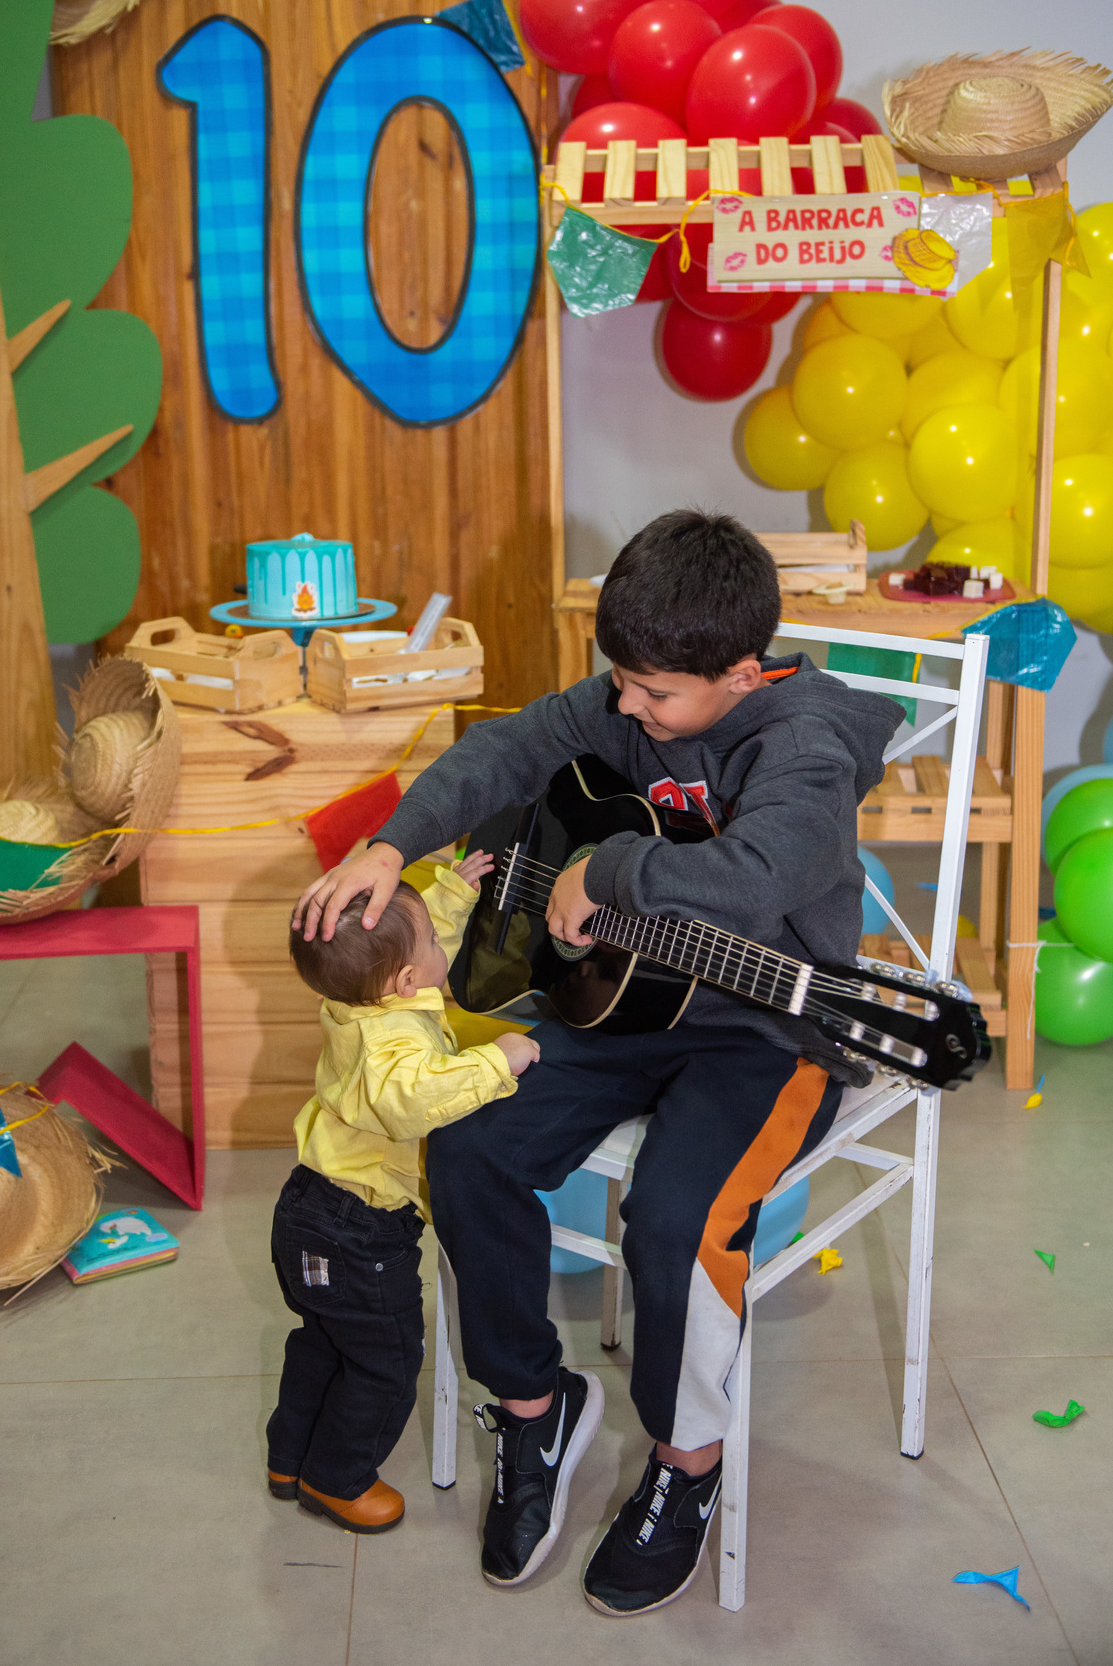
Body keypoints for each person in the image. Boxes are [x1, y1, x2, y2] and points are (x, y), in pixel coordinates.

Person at [294, 510, 902, 1612]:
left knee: (676, 1218)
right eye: (618, 680)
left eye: (653, 692)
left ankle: (687, 1464)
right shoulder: (636, 695)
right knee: (468, 1147)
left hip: (769, 1031)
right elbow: (505, 749)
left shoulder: (807, 745)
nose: (625, 707)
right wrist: (392, 846)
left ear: (742, 673)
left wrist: (608, 871)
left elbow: (759, 874)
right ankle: (536, 1409)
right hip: (630, 1006)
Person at [268, 849, 541, 1535]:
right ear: (406, 981)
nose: (439, 947)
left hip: (309, 1208)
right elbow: (415, 1098)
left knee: (322, 1343)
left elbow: (412, 951)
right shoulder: (393, 1041)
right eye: (429, 943)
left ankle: (289, 1457)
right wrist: (497, 1060)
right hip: (360, 1233)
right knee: (385, 1363)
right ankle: (338, 1479)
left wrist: (450, 895)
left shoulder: (358, 996)